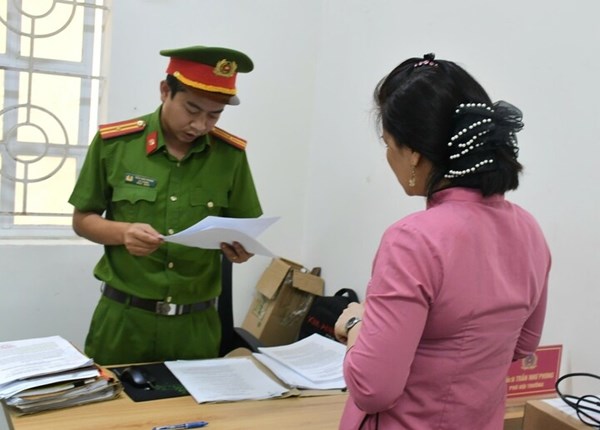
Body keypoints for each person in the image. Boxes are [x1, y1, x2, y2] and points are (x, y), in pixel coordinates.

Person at [334, 54, 551, 429]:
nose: (388, 157)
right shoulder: (529, 229)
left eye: (388, 144)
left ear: (413, 155)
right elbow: (523, 345)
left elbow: (373, 389)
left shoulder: (412, 240)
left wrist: (356, 323)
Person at [69, 45, 263, 365]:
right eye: (192, 109)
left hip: (195, 327)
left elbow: (245, 230)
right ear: (164, 91)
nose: (200, 125)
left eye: (214, 115)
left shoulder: (230, 157)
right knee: (113, 399)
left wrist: (242, 250)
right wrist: (123, 232)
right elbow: (82, 219)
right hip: (124, 321)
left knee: (195, 400)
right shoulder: (115, 145)